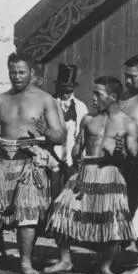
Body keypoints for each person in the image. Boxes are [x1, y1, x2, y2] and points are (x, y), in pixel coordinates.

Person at [0, 52, 66, 274]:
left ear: (31, 72)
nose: (17, 77)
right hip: (1, 159)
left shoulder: (45, 100)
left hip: (30, 160)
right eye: (13, 72)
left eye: (22, 72)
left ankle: (25, 261)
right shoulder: (0, 99)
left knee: (27, 213)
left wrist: (47, 132)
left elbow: (60, 135)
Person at [45, 76, 138, 274]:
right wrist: (77, 162)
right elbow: (77, 150)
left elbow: (133, 154)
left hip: (110, 175)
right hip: (85, 172)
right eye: (93, 93)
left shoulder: (127, 123)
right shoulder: (88, 119)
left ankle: (105, 267)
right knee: (62, 213)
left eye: (98, 94)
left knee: (113, 222)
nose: (93, 98)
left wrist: (121, 153)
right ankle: (65, 260)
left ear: (113, 97)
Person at [118, 54, 138, 274]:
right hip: (127, 163)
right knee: (128, 209)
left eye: (132, 77)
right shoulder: (125, 97)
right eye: (125, 76)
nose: (127, 81)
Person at [51, 64, 88, 194]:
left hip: (71, 161)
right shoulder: (48, 103)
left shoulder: (80, 107)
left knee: (69, 196)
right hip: (52, 159)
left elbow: (82, 136)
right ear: (56, 86)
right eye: (62, 90)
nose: (65, 94)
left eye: (69, 91)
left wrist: (79, 161)